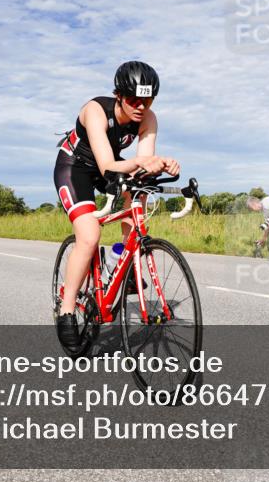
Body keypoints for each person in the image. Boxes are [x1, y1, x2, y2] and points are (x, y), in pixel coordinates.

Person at [52, 61, 179, 348]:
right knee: (89, 236)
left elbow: (141, 167)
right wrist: (142, 162)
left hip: (113, 168)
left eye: (147, 101)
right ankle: (68, 308)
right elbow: (108, 164)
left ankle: (120, 259)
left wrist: (161, 165)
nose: (141, 107)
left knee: (139, 193)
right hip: (76, 168)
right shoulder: (96, 110)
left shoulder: (148, 118)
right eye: (134, 99)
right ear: (118, 95)